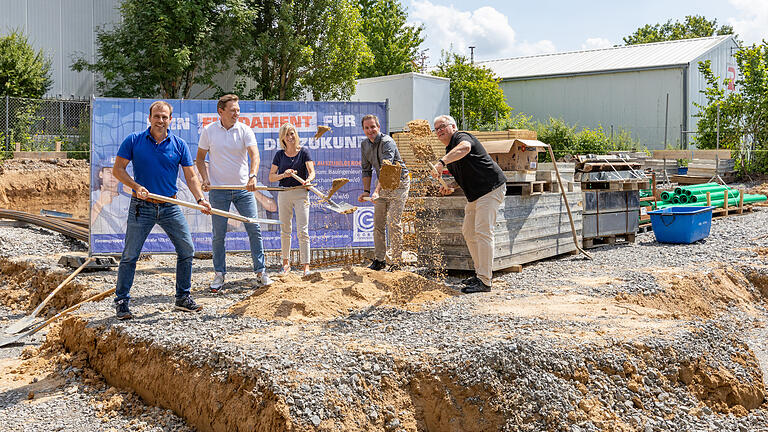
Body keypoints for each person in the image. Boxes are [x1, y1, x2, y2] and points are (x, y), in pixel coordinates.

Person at [111, 100, 212, 320]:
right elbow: (118, 170)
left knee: (187, 250)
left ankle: (183, 298)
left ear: (170, 120)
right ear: (149, 118)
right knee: (130, 256)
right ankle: (121, 301)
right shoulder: (134, 141)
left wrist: (201, 199)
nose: (160, 120)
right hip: (142, 206)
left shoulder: (179, 145)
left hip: (170, 206)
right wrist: (136, 187)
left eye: (164, 117)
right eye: (157, 116)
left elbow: (191, 176)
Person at [196, 94, 272, 293]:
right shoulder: (209, 131)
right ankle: (219, 274)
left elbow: (254, 154)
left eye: (238, 110)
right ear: (220, 111)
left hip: (243, 190)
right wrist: (205, 178)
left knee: (254, 229)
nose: (236, 113)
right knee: (218, 235)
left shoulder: (245, 130)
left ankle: (261, 271)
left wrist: (253, 176)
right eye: (232, 110)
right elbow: (200, 159)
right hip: (218, 191)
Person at [432, 114, 507, 294]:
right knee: (469, 231)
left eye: (443, 126)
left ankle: (485, 281)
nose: (440, 131)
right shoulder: (450, 151)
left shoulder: (461, 138)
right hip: (475, 195)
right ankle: (480, 274)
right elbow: (460, 179)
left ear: (454, 127)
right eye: (436, 129)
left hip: (490, 188)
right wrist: (449, 186)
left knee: (483, 232)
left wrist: (441, 163)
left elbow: (465, 148)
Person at [358, 114, 410, 271]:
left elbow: (387, 169)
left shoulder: (387, 142)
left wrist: (376, 191)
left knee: (394, 223)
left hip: (398, 182)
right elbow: (366, 170)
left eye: (373, 127)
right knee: (378, 223)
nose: (370, 130)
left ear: (378, 127)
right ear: (363, 130)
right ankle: (380, 260)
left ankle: (397, 262)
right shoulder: (365, 145)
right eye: (367, 128)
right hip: (381, 184)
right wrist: (366, 191)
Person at [268, 122, 315, 276]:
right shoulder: (279, 155)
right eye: (286, 134)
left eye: (292, 133)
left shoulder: (304, 152)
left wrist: (308, 180)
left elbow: (312, 171)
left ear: (296, 135)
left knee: (303, 230)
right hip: (284, 193)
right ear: (282, 138)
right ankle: (286, 264)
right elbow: (271, 177)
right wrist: (284, 174)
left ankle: (306, 266)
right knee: (285, 229)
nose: (290, 137)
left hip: (301, 193)